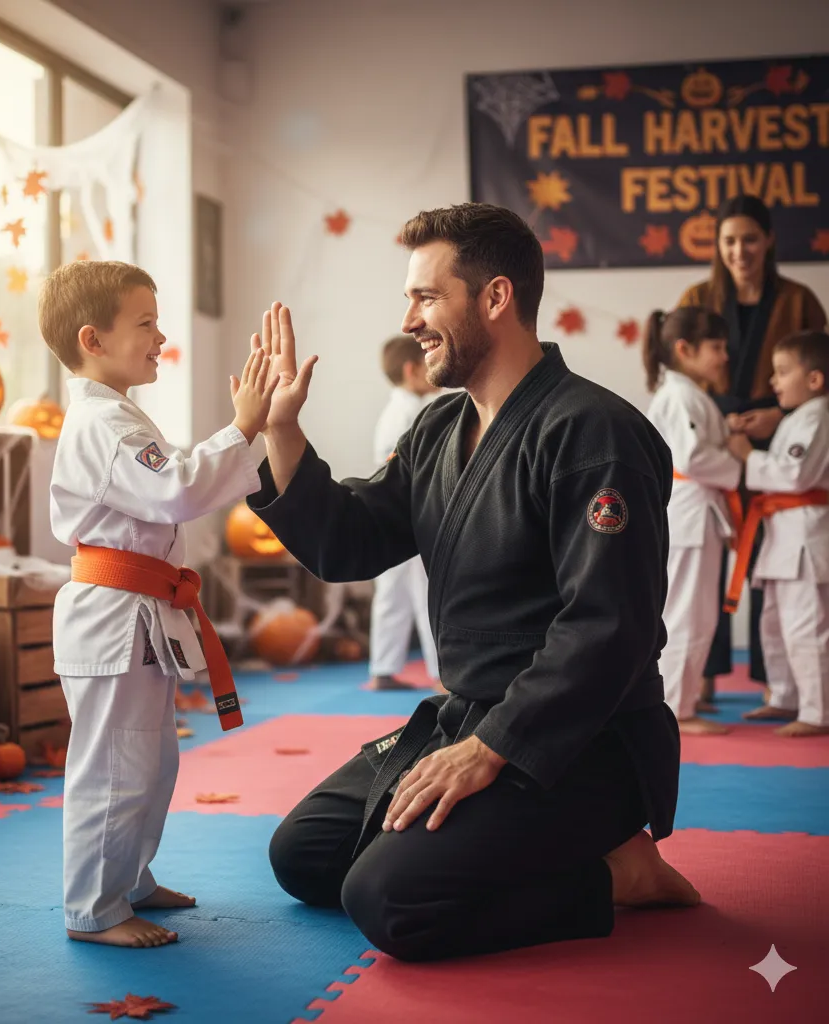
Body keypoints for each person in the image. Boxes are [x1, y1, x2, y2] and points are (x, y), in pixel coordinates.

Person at [247, 203, 699, 965]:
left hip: (582, 740)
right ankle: (547, 842)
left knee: (387, 900)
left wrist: (492, 746)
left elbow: (606, 627)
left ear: (495, 297)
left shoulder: (594, 432)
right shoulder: (437, 430)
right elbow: (351, 539)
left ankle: (620, 874)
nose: (410, 321)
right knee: (305, 855)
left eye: (427, 297)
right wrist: (282, 430)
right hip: (467, 716)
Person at [40, 260, 277, 948]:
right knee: (115, 767)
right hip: (113, 615)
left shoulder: (116, 414)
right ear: (93, 339)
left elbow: (169, 484)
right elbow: (175, 489)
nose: (161, 337)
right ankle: (94, 908)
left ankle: (131, 880)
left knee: (148, 762)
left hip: (137, 612)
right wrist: (241, 428)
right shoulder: (104, 424)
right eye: (145, 324)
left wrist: (243, 434)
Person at [678, 195, 827, 703]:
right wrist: (720, 423)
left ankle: (774, 684)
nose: (739, 251)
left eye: (749, 239)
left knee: (774, 562)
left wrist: (779, 417)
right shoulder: (698, 296)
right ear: (717, 246)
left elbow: (819, 374)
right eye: (729, 241)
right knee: (707, 565)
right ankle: (702, 677)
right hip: (717, 440)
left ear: (769, 241)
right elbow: (684, 371)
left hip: (780, 437)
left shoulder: (800, 299)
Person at [643, 307, 742, 734]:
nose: (724, 357)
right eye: (716, 347)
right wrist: (737, 459)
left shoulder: (688, 394)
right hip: (689, 515)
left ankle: (680, 701)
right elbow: (694, 457)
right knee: (687, 613)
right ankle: (677, 709)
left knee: (696, 613)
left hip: (697, 514)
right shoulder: (681, 395)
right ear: (685, 350)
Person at [726, 330, 829, 737]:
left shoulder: (818, 415)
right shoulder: (797, 417)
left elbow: (796, 474)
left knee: (806, 627)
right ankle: (785, 695)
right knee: (774, 623)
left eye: (783, 372)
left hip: (804, 537)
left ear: (815, 379)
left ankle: (818, 711)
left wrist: (748, 457)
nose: (773, 381)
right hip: (782, 535)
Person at [369, 336, 441, 690]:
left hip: (391, 514)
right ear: (412, 370)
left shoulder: (401, 410)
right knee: (429, 592)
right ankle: (442, 674)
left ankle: (382, 669)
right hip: (412, 513)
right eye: (429, 363)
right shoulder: (410, 414)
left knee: (393, 593)